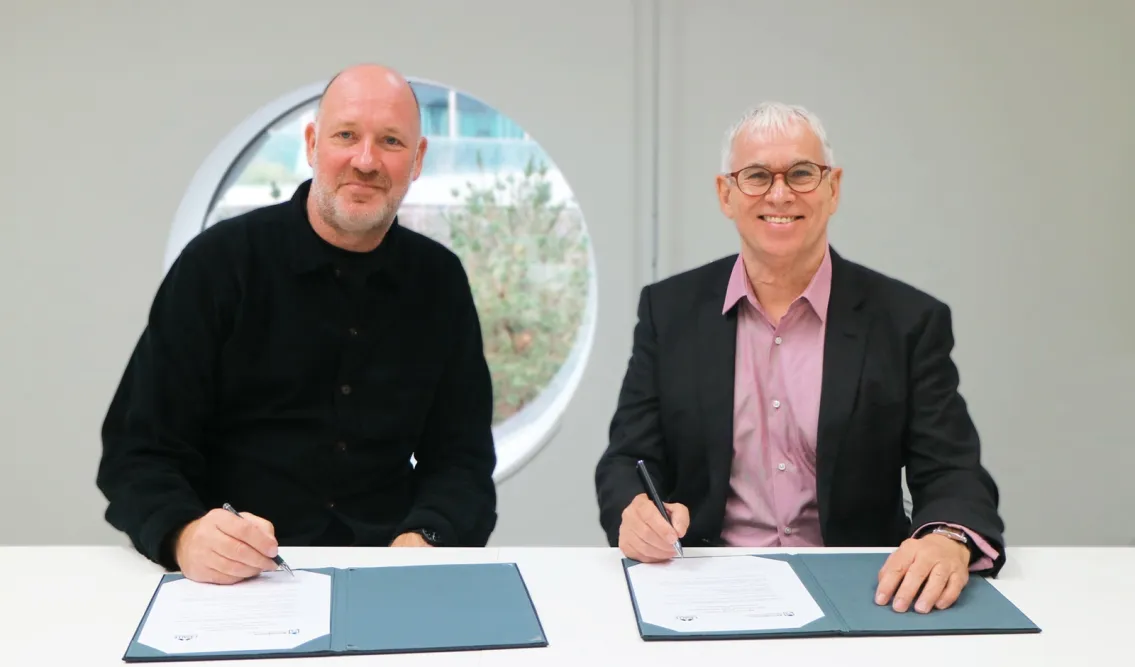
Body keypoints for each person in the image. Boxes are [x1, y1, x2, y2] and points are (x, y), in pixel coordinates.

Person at [594, 101, 1005, 614]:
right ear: (726, 194)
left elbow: (951, 470)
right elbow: (627, 460)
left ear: (833, 188)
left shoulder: (907, 321)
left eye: (802, 174)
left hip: (865, 586)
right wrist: (633, 512)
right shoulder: (670, 310)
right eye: (757, 176)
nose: (780, 193)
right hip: (705, 584)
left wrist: (947, 538)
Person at [97, 63, 497, 584]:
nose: (366, 160)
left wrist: (424, 540)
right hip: (234, 573)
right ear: (311, 145)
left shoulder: (440, 280)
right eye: (346, 135)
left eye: (391, 141)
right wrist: (185, 534)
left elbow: (462, 460)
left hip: (389, 568)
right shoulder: (218, 264)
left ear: (417, 159)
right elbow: (138, 451)